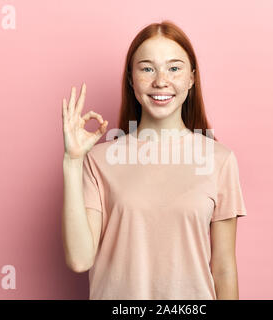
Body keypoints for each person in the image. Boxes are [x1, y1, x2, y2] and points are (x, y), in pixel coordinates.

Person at [61, 20, 247, 300]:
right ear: (131, 79)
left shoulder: (219, 160)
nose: (161, 80)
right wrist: (72, 162)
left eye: (174, 68)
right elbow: (79, 260)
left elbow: (223, 269)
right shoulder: (99, 160)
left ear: (191, 78)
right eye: (147, 68)